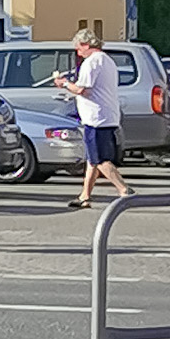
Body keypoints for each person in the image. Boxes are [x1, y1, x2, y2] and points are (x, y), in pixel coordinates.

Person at [53, 24, 129, 205]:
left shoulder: (91, 62)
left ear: (86, 44)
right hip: (107, 116)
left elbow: (82, 89)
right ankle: (85, 196)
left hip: (96, 118)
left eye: (78, 49)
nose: (78, 54)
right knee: (92, 160)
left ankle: (124, 189)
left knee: (100, 159)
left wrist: (64, 84)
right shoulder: (107, 60)